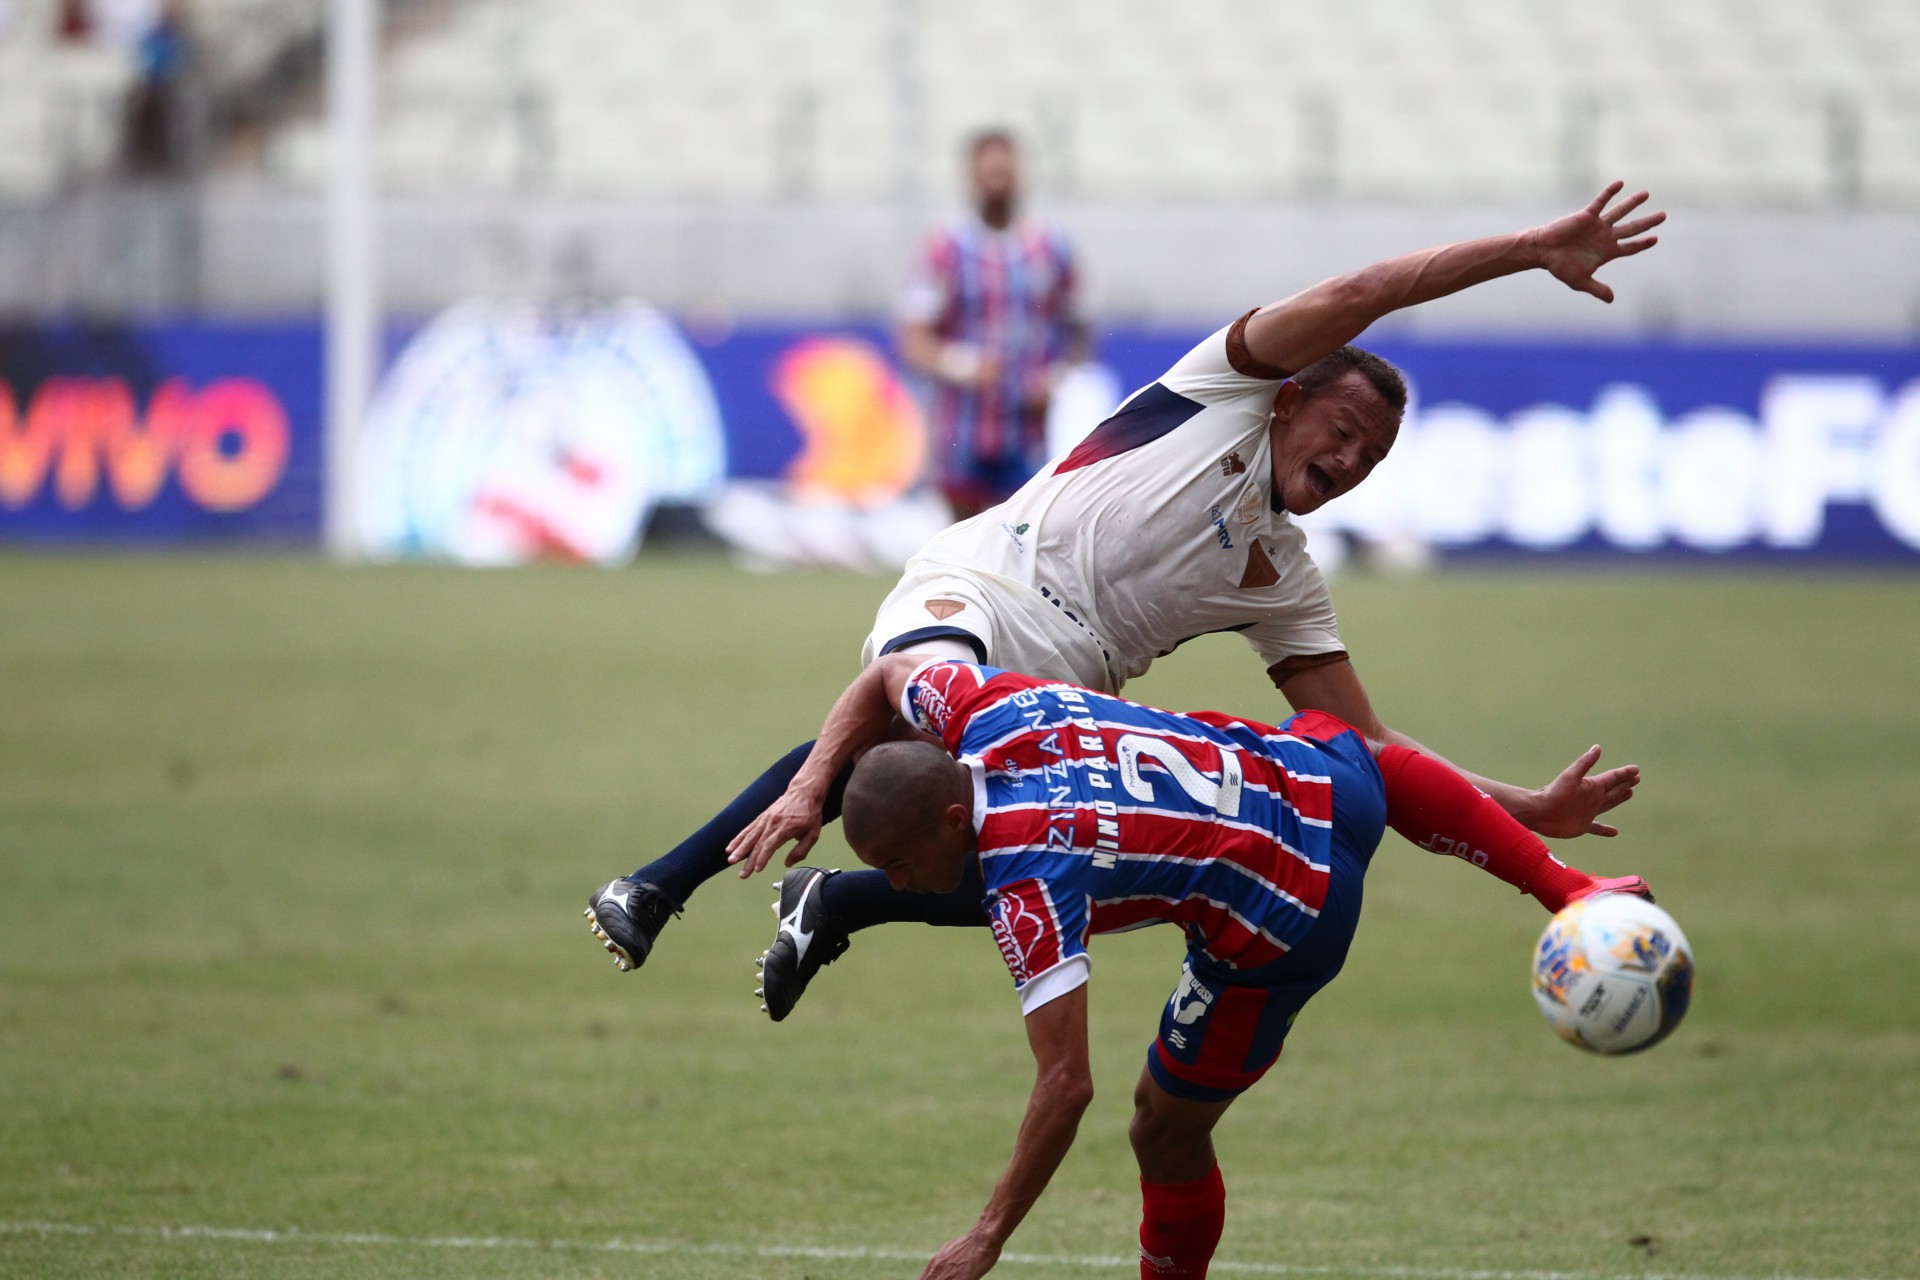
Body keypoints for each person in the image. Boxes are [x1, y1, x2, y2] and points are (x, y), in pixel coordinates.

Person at [584, 182, 1665, 1021]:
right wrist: (1526, 250)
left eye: (1372, 458)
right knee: (907, 708)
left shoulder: (1283, 578)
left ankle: (838, 900)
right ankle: (655, 887)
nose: (1350, 461)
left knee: (1062, 867)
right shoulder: (1223, 387)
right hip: (989, 580)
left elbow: (1371, 750)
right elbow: (1366, 294)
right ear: (1290, 400)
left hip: (1071, 684)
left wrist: (1523, 809)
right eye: (1342, 431)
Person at [728, 654, 1653, 1279]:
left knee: (1162, 1129)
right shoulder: (986, 707)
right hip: (1319, 782)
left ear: (950, 818)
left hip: (1286, 923)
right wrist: (810, 785)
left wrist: (987, 1236)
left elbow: (1065, 1084)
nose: (897, 883)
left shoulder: (1026, 879)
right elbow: (890, 672)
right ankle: (1569, 889)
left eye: (898, 864)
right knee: (1354, 745)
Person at [897, 129, 1090, 520]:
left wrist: (1056, 378)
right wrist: (961, 365)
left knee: (1023, 534)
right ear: (971, 177)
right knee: (961, 538)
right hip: (962, 427)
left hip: (1028, 429)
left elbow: (1079, 329)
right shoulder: (943, 248)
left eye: (1004, 171)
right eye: (988, 172)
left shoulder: (1051, 247)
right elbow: (914, 339)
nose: (996, 181)